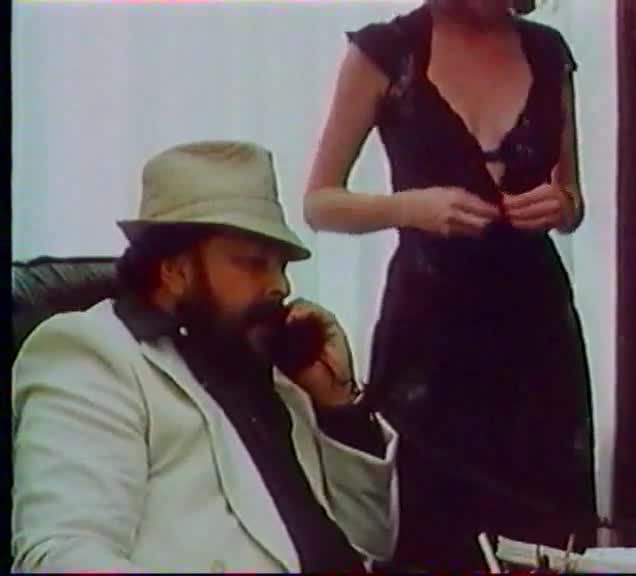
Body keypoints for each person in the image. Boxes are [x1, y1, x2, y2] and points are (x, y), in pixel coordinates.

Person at [12, 141, 398, 573]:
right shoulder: (93, 354)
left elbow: (370, 540)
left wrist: (337, 407)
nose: (281, 286)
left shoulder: (269, 367)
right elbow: (61, 556)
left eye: (282, 267)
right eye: (254, 263)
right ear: (175, 271)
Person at [304, 0, 596, 569]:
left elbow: (573, 198)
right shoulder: (385, 52)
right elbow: (319, 203)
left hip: (536, 331)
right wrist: (410, 207)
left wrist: (562, 205)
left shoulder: (547, 51)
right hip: (429, 333)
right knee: (433, 530)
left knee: (545, 533)